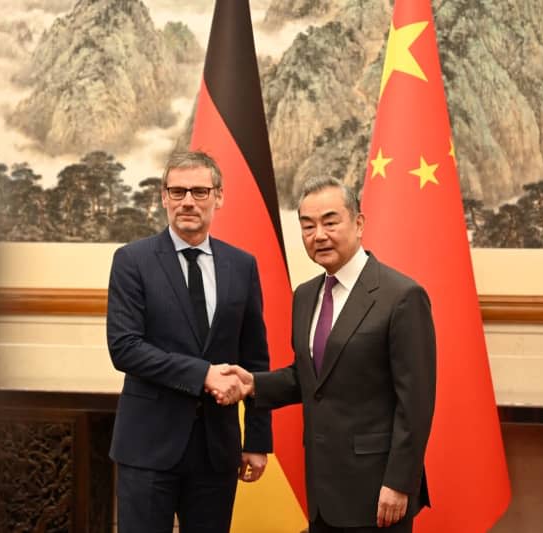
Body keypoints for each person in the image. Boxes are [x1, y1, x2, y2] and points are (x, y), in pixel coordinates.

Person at [220, 176, 436, 532]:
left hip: (378, 490)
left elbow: (415, 404)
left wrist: (400, 483)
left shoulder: (401, 296)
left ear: (359, 223)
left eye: (330, 222)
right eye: (307, 226)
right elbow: (309, 377)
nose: (318, 235)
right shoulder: (305, 296)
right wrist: (252, 384)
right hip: (322, 489)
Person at [106, 150, 272, 533]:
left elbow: (256, 360)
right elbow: (124, 347)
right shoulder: (132, 261)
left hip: (217, 451)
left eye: (199, 191)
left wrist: (258, 438)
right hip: (147, 448)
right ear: (163, 197)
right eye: (177, 191)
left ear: (219, 196)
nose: (187, 202)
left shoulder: (242, 265)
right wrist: (203, 375)